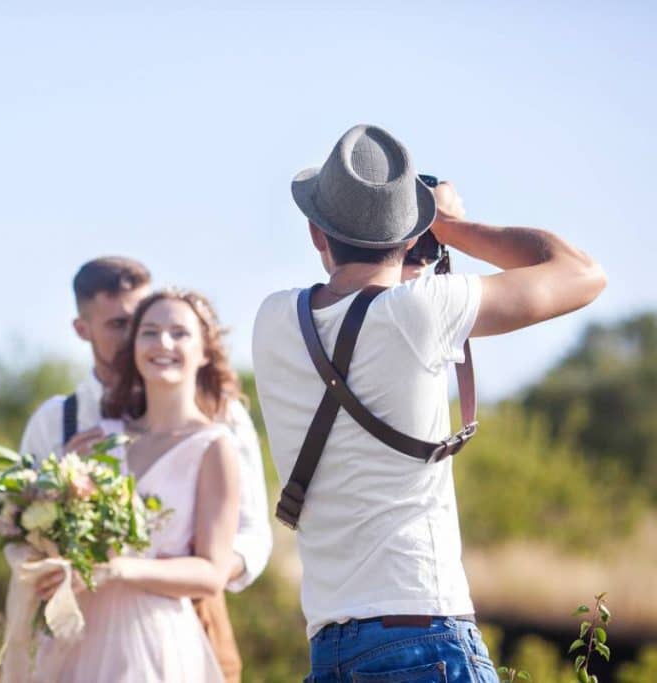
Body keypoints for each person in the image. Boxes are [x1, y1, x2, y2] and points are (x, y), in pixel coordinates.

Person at [251, 124, 606, 683]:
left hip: (329, 644)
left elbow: (361, 315)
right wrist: (451, 226)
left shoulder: (274, 319)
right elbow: (582, 273)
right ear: (411, 233)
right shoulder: (422, 312)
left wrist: (418, 245)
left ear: (317, 235)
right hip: (423, 633)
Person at [19, 257, 272, 681]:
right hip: (81, 629)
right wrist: (61, 489)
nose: (151, 339)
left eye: (152, 323)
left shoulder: (222, 423)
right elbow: (22, 526)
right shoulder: (68, 422)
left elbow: (252, 534)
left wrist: (171, 569)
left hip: (184, 620)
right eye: (125, 326)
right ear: (84, 330)